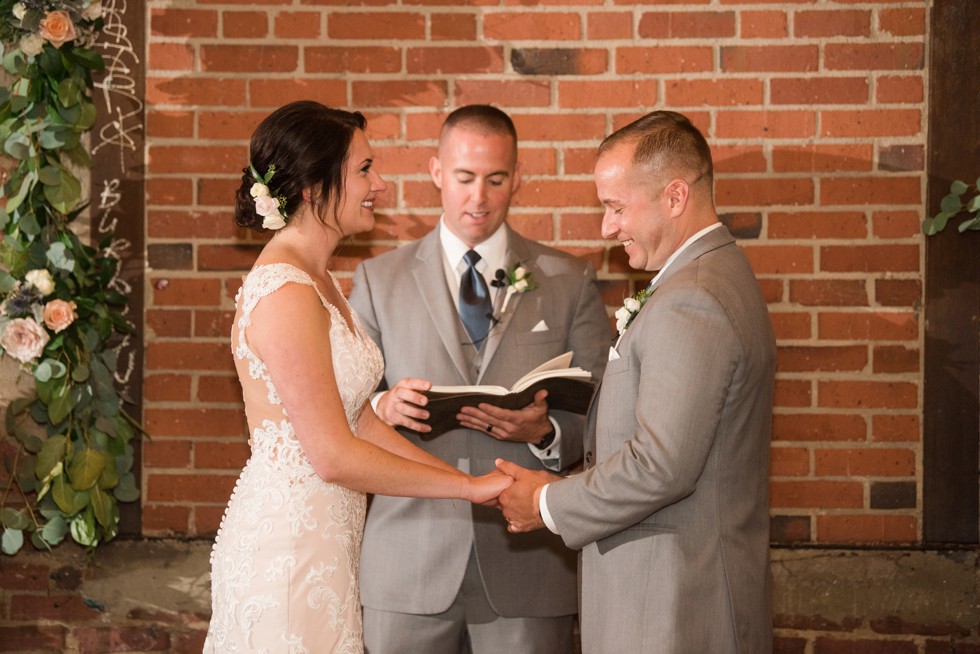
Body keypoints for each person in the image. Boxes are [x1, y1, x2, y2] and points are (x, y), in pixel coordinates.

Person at [203, 101, 512, 654]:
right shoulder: (286, 290)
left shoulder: (320, 279)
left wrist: (469, 488)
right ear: (315, 185)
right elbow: (332, 454)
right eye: (365, 170)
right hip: (289, 551)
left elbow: (361, 423)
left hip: (329, 543)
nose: (381, 184)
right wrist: (465, 487)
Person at [496, 110, 777, 653]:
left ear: (675, 197)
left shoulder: (692, 298)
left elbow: (661, 465)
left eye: (616, 207)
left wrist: (549, 503)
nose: (607, 227)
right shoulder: (714, 274)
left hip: (674, 606)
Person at [348, 105, 611, 653]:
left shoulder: (569, 280)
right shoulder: (378, 279)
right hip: (407, 559)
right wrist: (382, 408)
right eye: (465, 178)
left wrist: (544, 433)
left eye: (495, 179)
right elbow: (339, 406)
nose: (479, 197)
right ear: (437, 171)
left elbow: (605, 409)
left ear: (517, 177)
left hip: (529, 563)